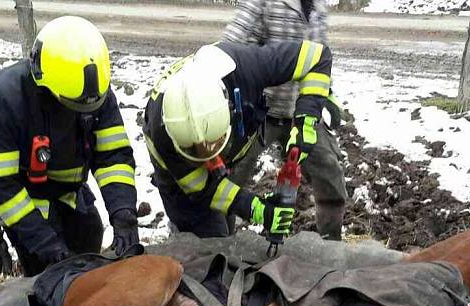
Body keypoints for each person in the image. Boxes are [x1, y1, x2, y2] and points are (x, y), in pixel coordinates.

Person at [0, 16, 139, 277]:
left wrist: (123, 213)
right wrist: (47, 244)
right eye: (72, 105)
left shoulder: (93, 93)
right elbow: (1, 187)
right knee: (47, 273)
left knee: (89, 236)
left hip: (70, 193)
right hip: (26, 198)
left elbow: (113, 157)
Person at [142, 40, 333, 239]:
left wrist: (306, 121)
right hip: (177, 172)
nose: (208, 159)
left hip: (230, 135)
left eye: (214, 145)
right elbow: (203, 189)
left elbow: (317, 56)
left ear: (230, 109)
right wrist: (255, 209)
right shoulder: (163, 134)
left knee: (225, 214)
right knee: (209, 241)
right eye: (194, 151)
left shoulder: (247, 68)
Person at [223, 0, 348, 240]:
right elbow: (231, 46)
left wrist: (327, 94)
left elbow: (320, 56)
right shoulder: (262, 3)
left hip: (302, 111)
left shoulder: (317, 7)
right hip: (260, 112)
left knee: (329, 175)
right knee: (231, 177)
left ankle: (331, 243)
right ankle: (220, 242)